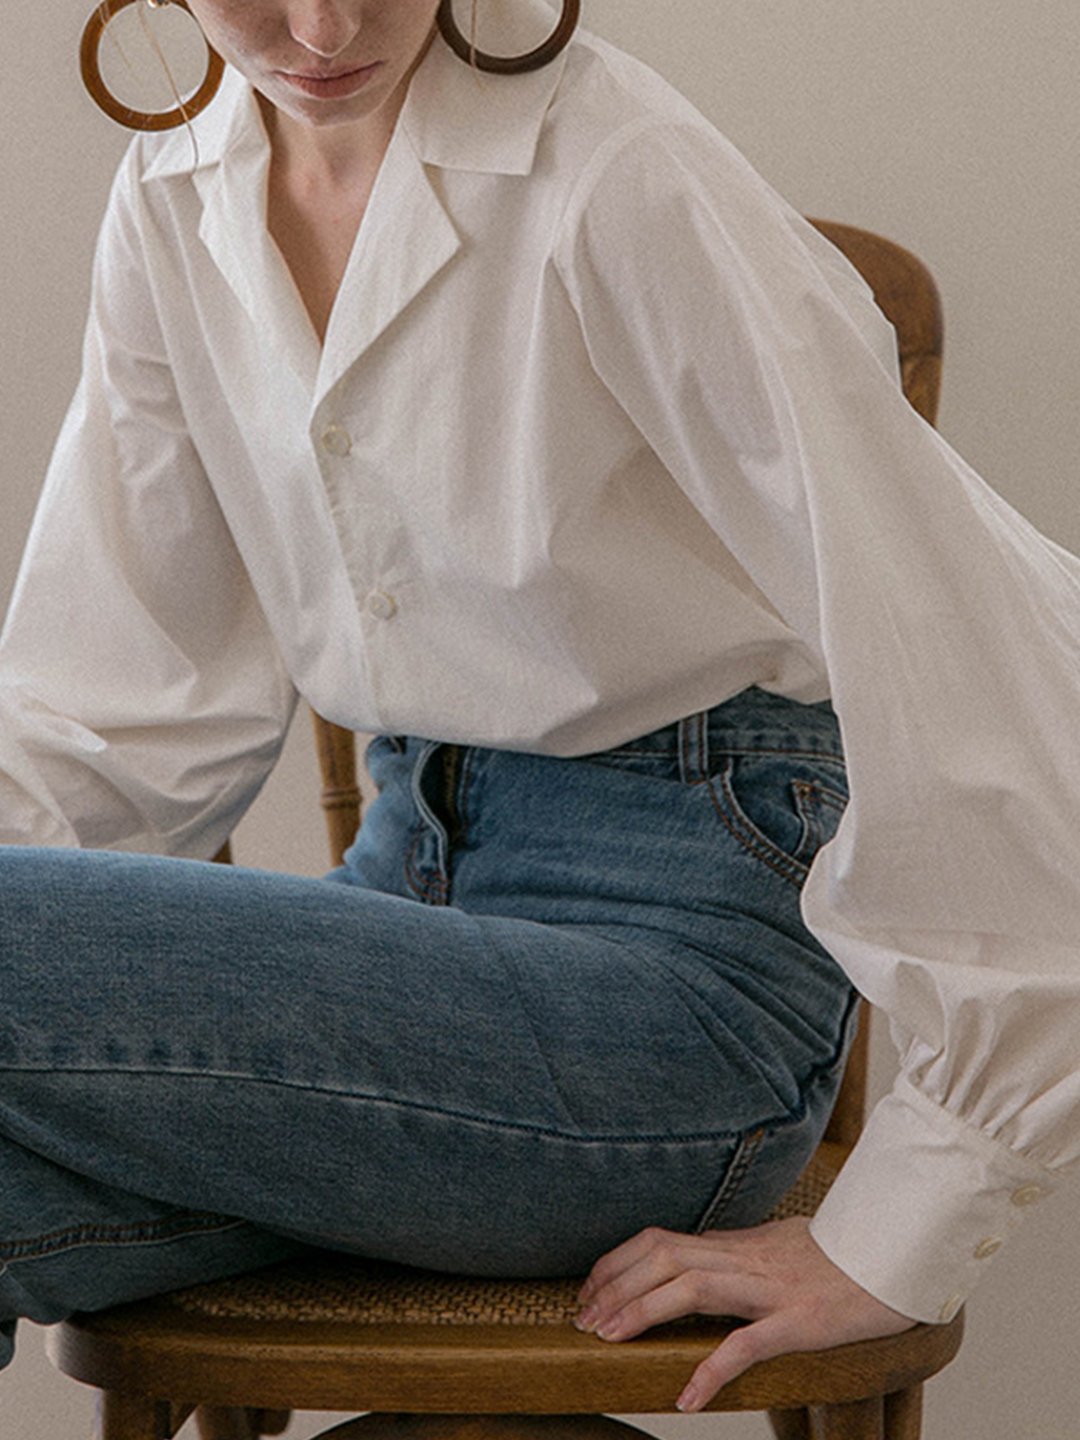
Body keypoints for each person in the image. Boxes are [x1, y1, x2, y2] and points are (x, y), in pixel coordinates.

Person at [2, 0, 1078, 1414]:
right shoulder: (175, 187)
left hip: (674, 1000)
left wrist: (912, 1219)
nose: (323, 26)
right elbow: (113, 705)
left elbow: (969, 631)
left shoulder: (615, 172)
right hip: (400, 916)